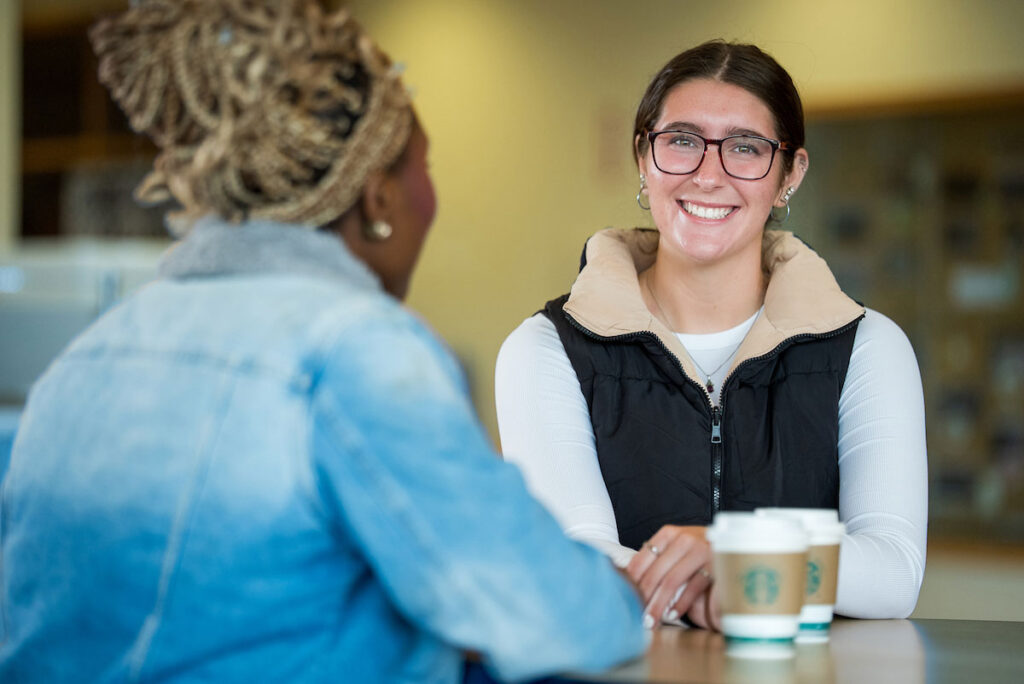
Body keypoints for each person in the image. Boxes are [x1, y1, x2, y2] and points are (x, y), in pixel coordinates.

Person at [0, 2, 647, 682]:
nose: (431, 199)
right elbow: (552, 616)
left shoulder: (86, 356)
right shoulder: (356, 351)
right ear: (378, 201)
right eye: (424, 169)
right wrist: (623, 593)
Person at [495, 40, 927, 630]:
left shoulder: (869, 348)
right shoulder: (545, 350)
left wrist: (733, 558)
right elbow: (577, 565)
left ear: (788, 175)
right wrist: (759, 581)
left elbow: (892, 572)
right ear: (643, 158)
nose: (707, 174)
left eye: (745, 148)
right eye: (682, 141)